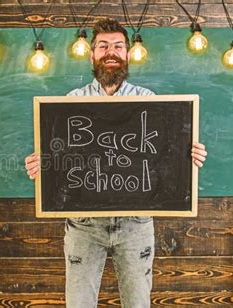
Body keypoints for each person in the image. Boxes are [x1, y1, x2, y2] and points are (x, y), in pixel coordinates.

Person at [24, 18, 207, 308]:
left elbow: (164, 159)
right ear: (92, 54)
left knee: (138, 304)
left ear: (127, 54)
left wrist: (188, 157)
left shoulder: (149, 101)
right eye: (103, 46)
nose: (111, 52)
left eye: (118, 46)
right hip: (84, 224)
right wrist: (42, 166)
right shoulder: (71, 102)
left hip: (136, 223)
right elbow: (57, 160)